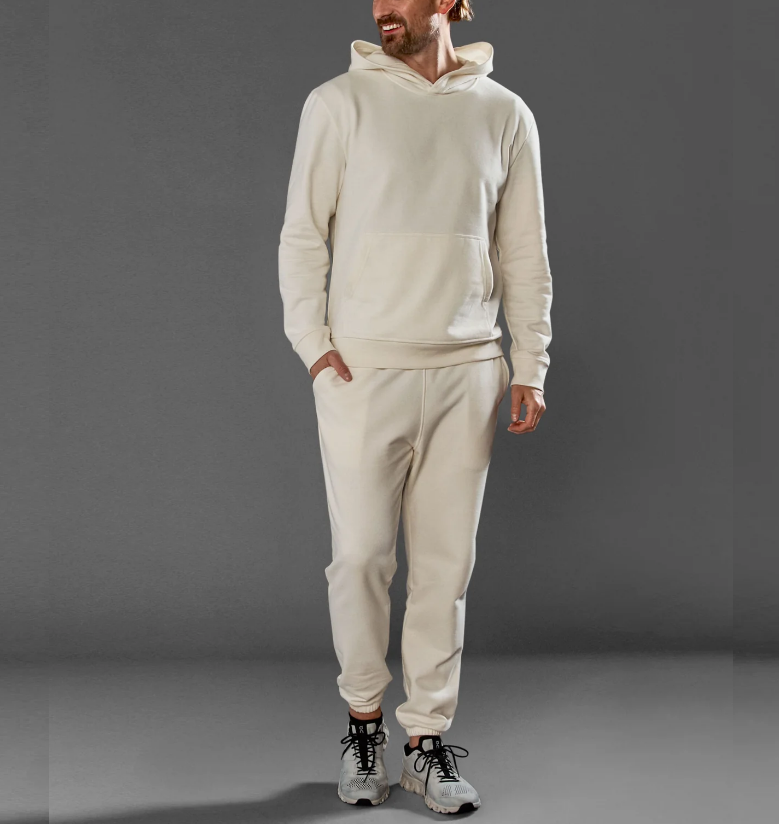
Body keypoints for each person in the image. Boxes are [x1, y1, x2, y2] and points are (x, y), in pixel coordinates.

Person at [278, 0, 552, 813]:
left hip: (469, 370)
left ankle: (426, 744)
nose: (381, 9)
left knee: (444, 569)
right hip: (364, 371)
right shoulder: (338, 103)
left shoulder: (505, 113)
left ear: (451, 3)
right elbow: (303, 233)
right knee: (361, 558)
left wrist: (530, 363)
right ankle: (363, 727)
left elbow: (524, 248)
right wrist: (314, 344)